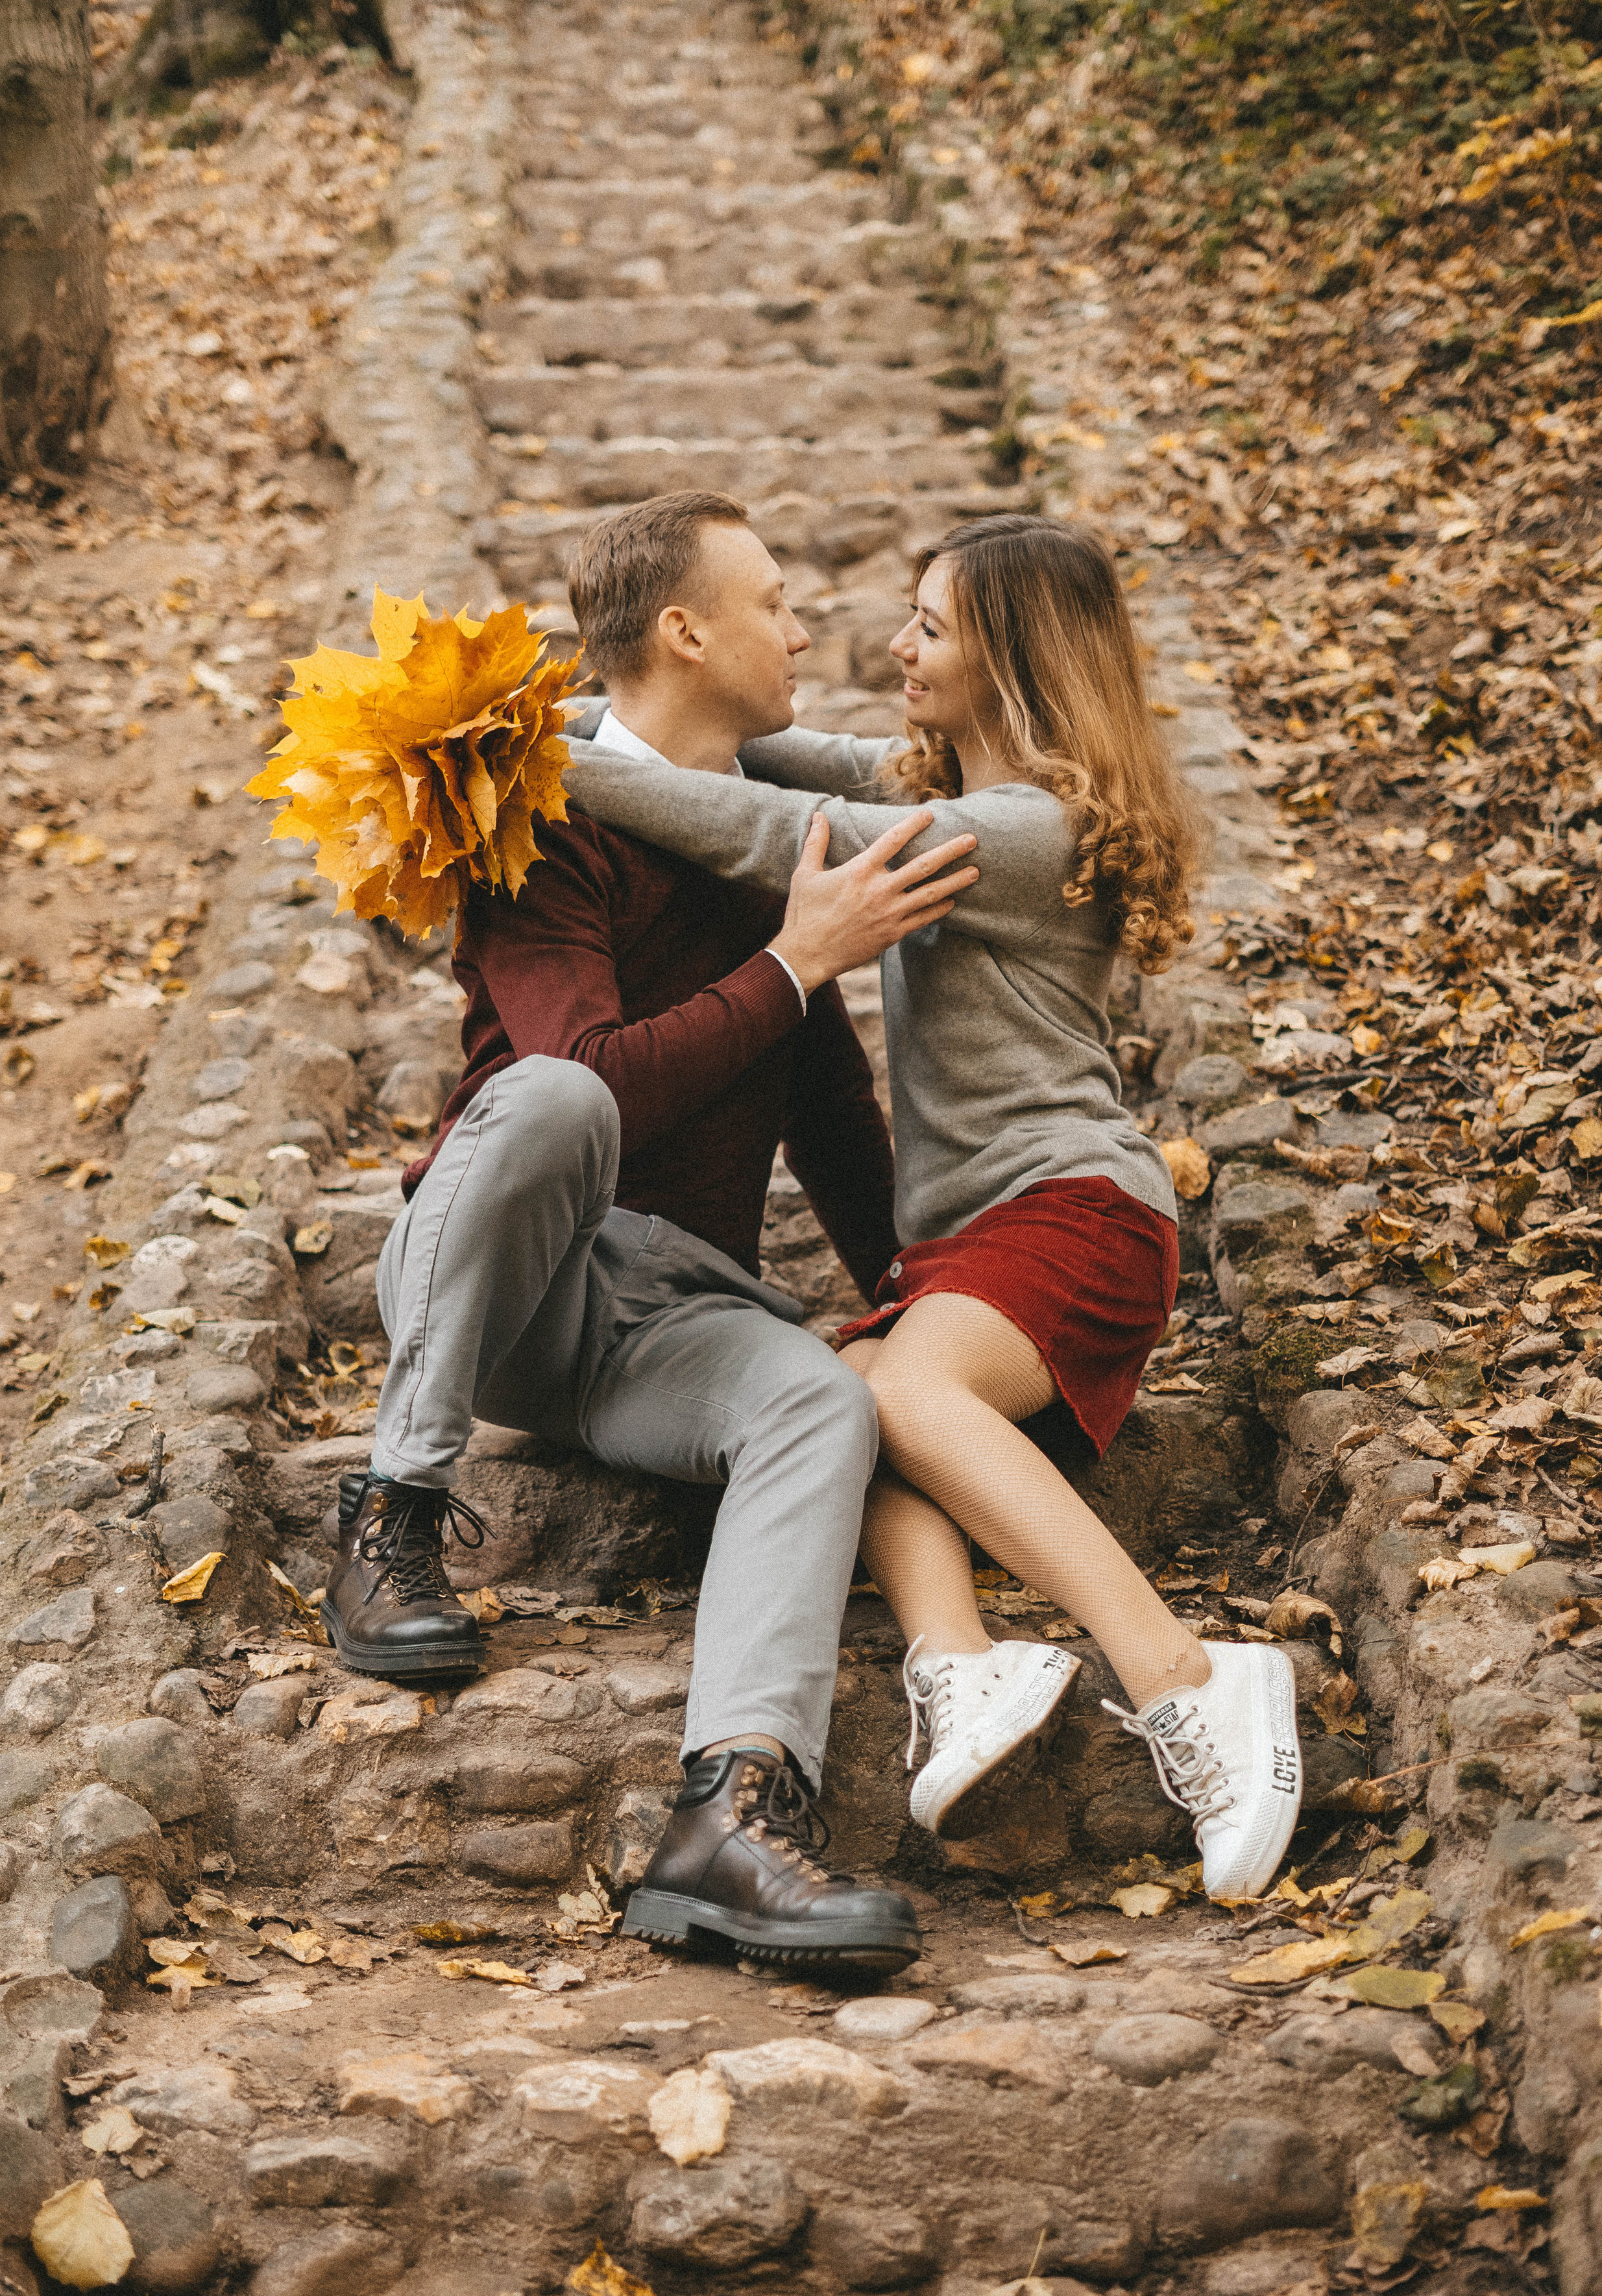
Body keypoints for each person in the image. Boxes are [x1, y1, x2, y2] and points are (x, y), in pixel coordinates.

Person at [561, 513, 1304, 1901]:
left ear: (1010, 662)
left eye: (929, 629)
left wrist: (535, 769)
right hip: (971, 1247)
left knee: (903, 1397)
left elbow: (756, 820)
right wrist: (518, 715)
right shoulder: (930, 785)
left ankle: (1189, 1675)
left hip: (1073, 1212)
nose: (891, 648)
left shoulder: (1020, 833)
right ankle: (958, 1665)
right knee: (845, 1390)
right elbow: (709, 747)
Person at [322, 489, 981, 1970]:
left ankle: (733, 1817)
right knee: (554, 1098)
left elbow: (824, 1103)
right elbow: (595, 1081)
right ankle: (392, 1517)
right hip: (502, 1283)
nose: (803, 631)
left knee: (815, 1399)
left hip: (666, 1314)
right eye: (769, 602)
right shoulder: (532, 819)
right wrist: (798, 961)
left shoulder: (765, 837)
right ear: (683, 630)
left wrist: (911, 1291)